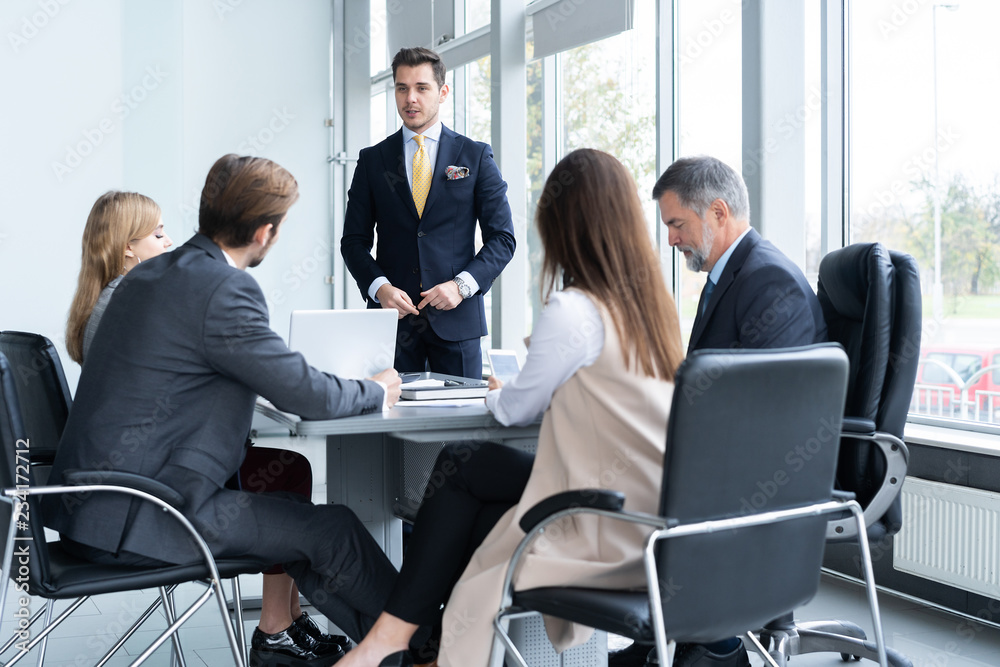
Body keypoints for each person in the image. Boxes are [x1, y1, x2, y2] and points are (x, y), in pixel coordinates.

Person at [44, 154, 404, 667]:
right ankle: (437, 651)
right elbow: (306, 396)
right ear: (265, 232)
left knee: (309, 529)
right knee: (334, 529)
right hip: (149, 512)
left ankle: (394, 655)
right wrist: (375, 391)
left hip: (94, 510)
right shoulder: (223, 288)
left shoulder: (147, 278)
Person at [337, 148, 685, 667]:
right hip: (657, 514)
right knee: (473, 482)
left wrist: (500, 388)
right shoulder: (655, 308)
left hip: (603, 517)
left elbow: (514, 410)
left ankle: (395, 640)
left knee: (464, 487)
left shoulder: (575, 309)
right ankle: (408, 644)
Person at [615, 155, 828, 667]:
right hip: (729, 454)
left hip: (760, 471)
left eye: (676, 224)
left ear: (717, 212)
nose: (670, 239)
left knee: (620, 482)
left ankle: (714, 643)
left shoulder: (767, 281)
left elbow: (766, 410)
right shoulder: (736, 277)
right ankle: (672, 636)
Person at [341, 46, 516, 379]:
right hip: (392, 323)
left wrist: (461, 286)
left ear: (442, 92)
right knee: (392, 426)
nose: (411, 99)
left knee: (459, 426)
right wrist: (380, 288)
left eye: (422, 88)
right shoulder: (373, 161)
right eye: (402, 88)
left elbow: (502, 239)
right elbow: (353, 241)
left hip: (458, 320)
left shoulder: (475, 156)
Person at [65, 191, 173, 364]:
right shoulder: (129, 301)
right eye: (158, 235)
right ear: (128, 247)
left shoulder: (106, 296)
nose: (169, 241)